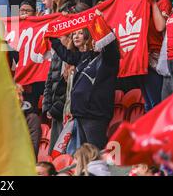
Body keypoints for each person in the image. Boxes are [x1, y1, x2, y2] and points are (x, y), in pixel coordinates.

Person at [49, 11, 120, 150]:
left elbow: (110, 43)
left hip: (95, 116)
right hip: (80, 114)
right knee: (83, 156)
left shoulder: (110, 59)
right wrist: (52, 37)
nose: (94, 40)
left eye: (97, 37)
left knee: (95, 153)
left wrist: (99, 21)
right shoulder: (86, 56)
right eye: (93, 37)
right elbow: (67, 55)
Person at [145, 0, 172, 110]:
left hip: (156, 56)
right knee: (148, 103)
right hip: (145, 56)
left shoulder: (164, 2)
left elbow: (160, 26)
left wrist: (154, 3)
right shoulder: (147, 2)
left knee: (156, 103)